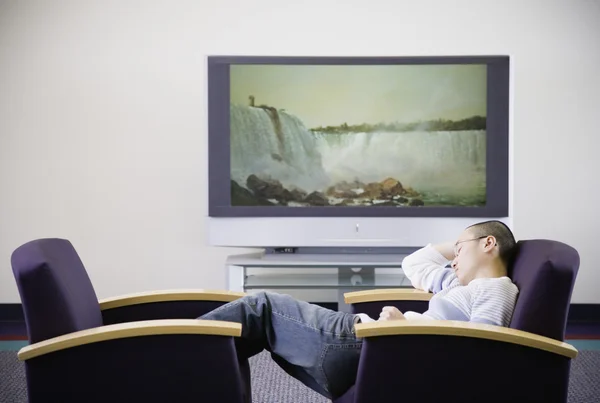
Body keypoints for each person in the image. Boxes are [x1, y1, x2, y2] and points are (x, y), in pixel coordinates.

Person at [199, 220, 519, 399]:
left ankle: (173, 348)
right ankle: (183, 366)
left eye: (459, 250)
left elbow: (483, 345)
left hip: (369, 346)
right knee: (241, 337)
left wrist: (403, 331)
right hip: (376, 345)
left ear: (489, 245)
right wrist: (464, 242)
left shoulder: (496, 287)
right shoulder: (455, 282)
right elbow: (414, 263)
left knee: (261, 308)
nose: (453, 257)